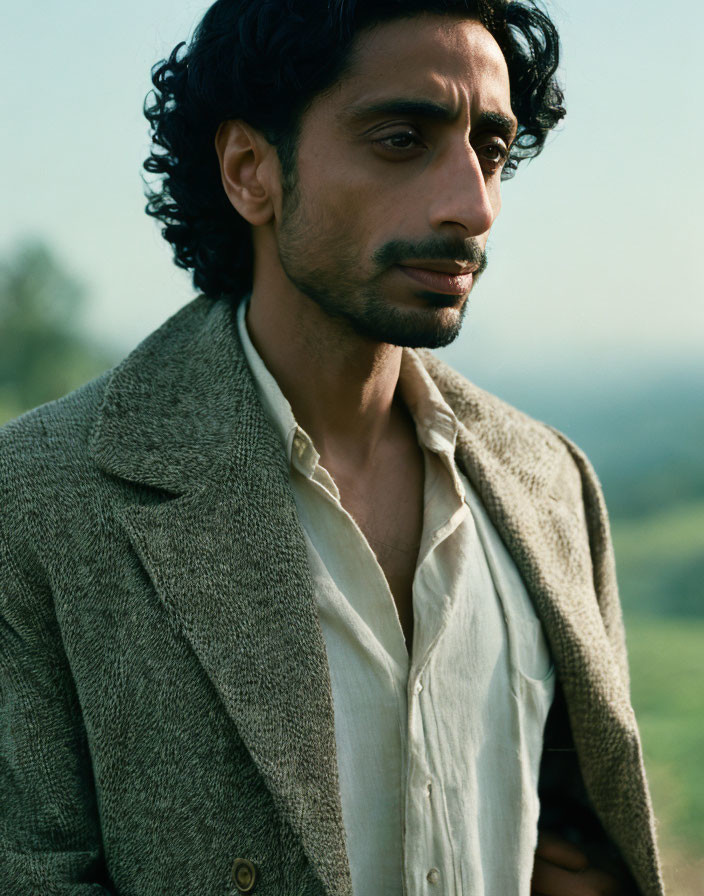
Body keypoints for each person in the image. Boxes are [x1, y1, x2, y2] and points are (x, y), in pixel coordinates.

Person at [0, 1, 664, 894]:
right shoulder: (43, 499)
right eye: (401, 139)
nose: (473, 205)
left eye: (492, 152)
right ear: (250, 171)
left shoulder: (550, 483)